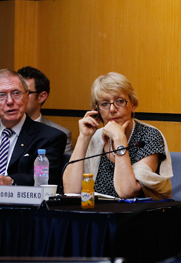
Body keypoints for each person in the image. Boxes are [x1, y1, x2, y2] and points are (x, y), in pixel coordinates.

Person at [62, 72, 172, 200]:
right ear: (96, 111)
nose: (112, 109)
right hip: (97, 213)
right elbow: (70, 191)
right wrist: (84, 137)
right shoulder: (95, 137)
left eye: (119, 101)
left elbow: (127, 192)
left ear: (133, 105)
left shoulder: (149, 136)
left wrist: (119, 140)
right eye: (104, 104)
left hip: (134, 215)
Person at [17, 66, 73, 153]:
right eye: (15, 92)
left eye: (24, 93)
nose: (16, 98)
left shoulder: (60, 134)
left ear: (41, 97)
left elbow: (65, 166)